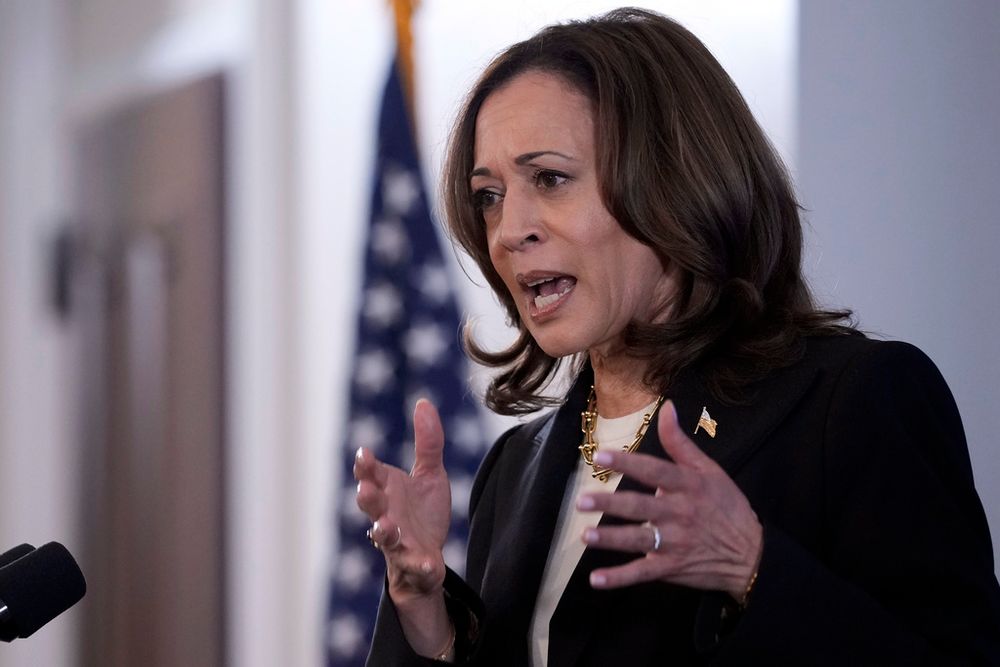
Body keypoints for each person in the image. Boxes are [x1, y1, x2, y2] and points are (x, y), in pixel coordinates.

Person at [354, 7, 1000, 665]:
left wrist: (754, 568)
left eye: (549, 178)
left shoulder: (853, 402)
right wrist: (427, 615)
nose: (508, 228)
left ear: (670, 179)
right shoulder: (516, 464)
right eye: (488, 195)